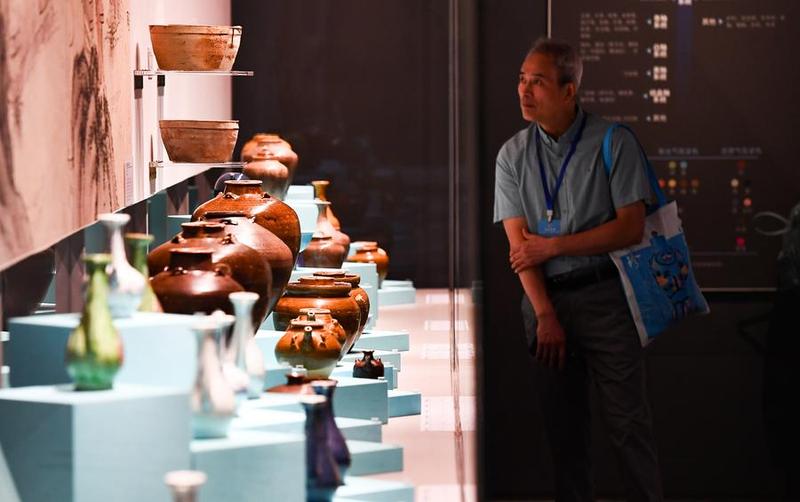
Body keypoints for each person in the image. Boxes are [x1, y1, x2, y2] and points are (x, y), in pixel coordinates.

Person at [493, 37, 664, 501]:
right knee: (564, 435)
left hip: (609, 298)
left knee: (629, 428)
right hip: (545, 301)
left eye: (538, 82)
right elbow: (520, 249)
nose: (524, 91)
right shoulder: (512, 155)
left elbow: (629, 228)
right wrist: (545, 314)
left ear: (569, 90)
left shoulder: (613, 141)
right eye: (522, 80)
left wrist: (553, 246)